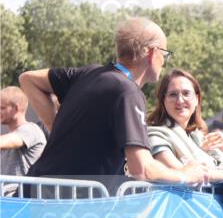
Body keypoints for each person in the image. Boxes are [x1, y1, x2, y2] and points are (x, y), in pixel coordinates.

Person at [19, 16, 208, 192]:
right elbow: (142, 169)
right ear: (152, 53)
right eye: (165, 54)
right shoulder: (128, 92)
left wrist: (57, 128)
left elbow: (28, 79)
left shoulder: (88, 73)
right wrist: (185, 174)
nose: (164, 62)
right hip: (66, 207)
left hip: (34, 193)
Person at [146, 68, 223, 184]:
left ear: (197, 99)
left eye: (186, 93)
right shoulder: (155, 135)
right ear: (163, 100)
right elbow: (180, 175)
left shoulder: (199, 137)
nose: (180, 100)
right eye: (173, 94)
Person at [0, 86, 47, 195]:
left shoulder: (31, 129)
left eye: (2, 108)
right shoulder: (9, 137)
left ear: (16, 108)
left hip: (20, 201)